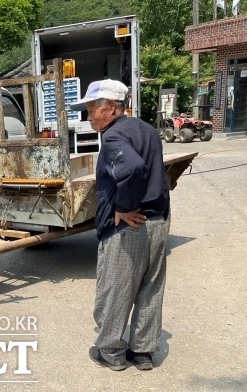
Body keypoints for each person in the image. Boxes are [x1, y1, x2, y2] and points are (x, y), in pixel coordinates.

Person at [69, 80, 170, 371]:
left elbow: (132, 168)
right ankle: (143, 352)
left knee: (115, 290)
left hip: (130, 228)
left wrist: (123, 207)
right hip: (157, 221)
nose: (88, 117)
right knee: (150, 288)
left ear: (110, 108)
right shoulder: (146, 129)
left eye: (91, 110)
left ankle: (111, 352)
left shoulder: (113, 137)